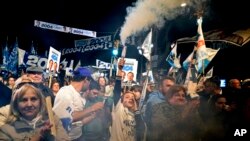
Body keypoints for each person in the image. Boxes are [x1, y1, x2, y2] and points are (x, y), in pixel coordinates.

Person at [0, 82, 69, 140]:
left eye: (33, 99)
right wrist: (37, 137)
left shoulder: (53, 121)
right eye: (24, 100)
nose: (29, 104)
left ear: (40, 102)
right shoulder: (6, 130)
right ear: (16, 104)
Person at [53, 67, 104, 140]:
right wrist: (92, 108)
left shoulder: (78, 95)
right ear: (86, 80)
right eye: (89, 82)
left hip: (77, 137)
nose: (89, 85)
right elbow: (67, 118)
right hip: (66, 138)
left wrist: (93, 115)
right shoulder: (66, 92)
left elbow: (77, 123)